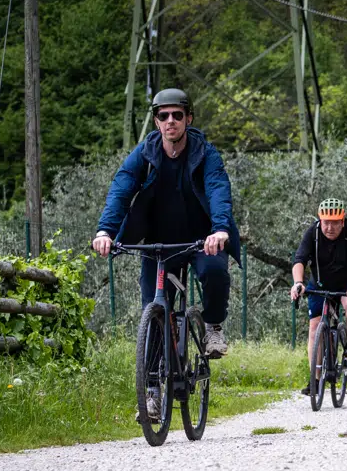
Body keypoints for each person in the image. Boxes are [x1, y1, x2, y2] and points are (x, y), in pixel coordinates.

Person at [92, 87, 239, 371]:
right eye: (163, 115)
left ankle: (213, 326)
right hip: (159, 242)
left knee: (214, 272)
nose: (170, 120)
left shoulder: (206, 153)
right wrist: (105, 231)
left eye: (177, 115)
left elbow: (218, 189)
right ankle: (152, 385)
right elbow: (121, 188)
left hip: (203, 240)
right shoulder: (145, 153)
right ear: (157, 121)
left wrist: (220, 229)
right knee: (154, 308)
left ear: (188, 118)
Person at [289, 198, 347, 396]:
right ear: (320, 220)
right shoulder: (313, 233)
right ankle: (315, 380)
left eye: (335, 223)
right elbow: (299, 259)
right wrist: (298, 283)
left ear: (343, 221)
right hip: (320, 283)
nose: (330, 228)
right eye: (326, 222)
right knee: (314, 328)